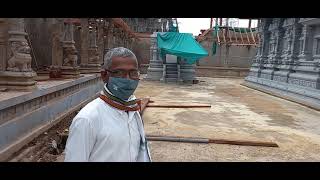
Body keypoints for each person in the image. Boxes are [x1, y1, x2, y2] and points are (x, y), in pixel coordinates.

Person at [64, 47, 151, 162]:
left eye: (133, 73)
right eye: (119, 73)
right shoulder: (87, 119)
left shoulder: (133, 111)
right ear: (104, 75)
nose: (128, 79)